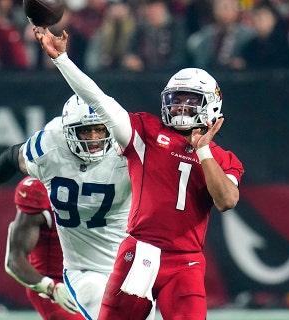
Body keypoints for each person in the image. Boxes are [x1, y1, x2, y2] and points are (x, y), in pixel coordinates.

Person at [34, 26, 244, 319]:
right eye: (177, 99)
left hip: (185, 262)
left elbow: (226, 200)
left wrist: (203, 150)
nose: (181, 107)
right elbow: (98, 100)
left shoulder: (223, 158)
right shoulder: (146, 131)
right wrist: (63, 60)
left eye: (190, 100)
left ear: (212, 104)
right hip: (139, 252)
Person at [0, 98, 137, 319]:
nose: (93, 139)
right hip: (59, 281)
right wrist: (50, 287)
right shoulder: (39, 182)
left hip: (107, 267)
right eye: (85, 132)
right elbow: (14, 258)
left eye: (99, 131)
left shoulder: (121, 160)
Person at [5, 175, 85, 320]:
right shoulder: (39, 189)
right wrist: (51, 287)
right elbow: (15, 258)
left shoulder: (110, 175)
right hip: (58, 284)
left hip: (102, 274)